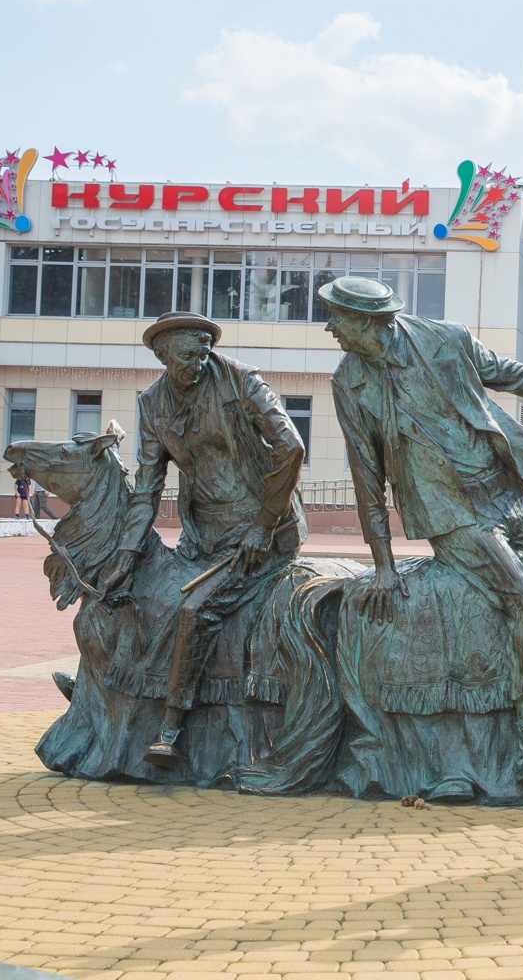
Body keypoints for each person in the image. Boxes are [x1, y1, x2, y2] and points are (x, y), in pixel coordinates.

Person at [321, 276, 523, 783]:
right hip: (449, 513)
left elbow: (518, 377)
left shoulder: (446, 338)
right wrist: (381, 563)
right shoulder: (348, 382)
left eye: (338, 318)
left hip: (502, 490)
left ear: (369, 322)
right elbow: (365, 477)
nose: (331, 328)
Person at [99, 310, 307, 770]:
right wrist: (126, 556)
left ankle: (169, 729)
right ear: (163, 355)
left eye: (204, 351)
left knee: (195, 610)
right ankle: (113, 699)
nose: (201, 360)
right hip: (201, 537)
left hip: (260, 536)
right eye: (190, 354)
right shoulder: (152, 404)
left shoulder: (240, 380)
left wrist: (263, 524)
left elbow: (291, 447)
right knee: (146, 597)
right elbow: (147, 486)